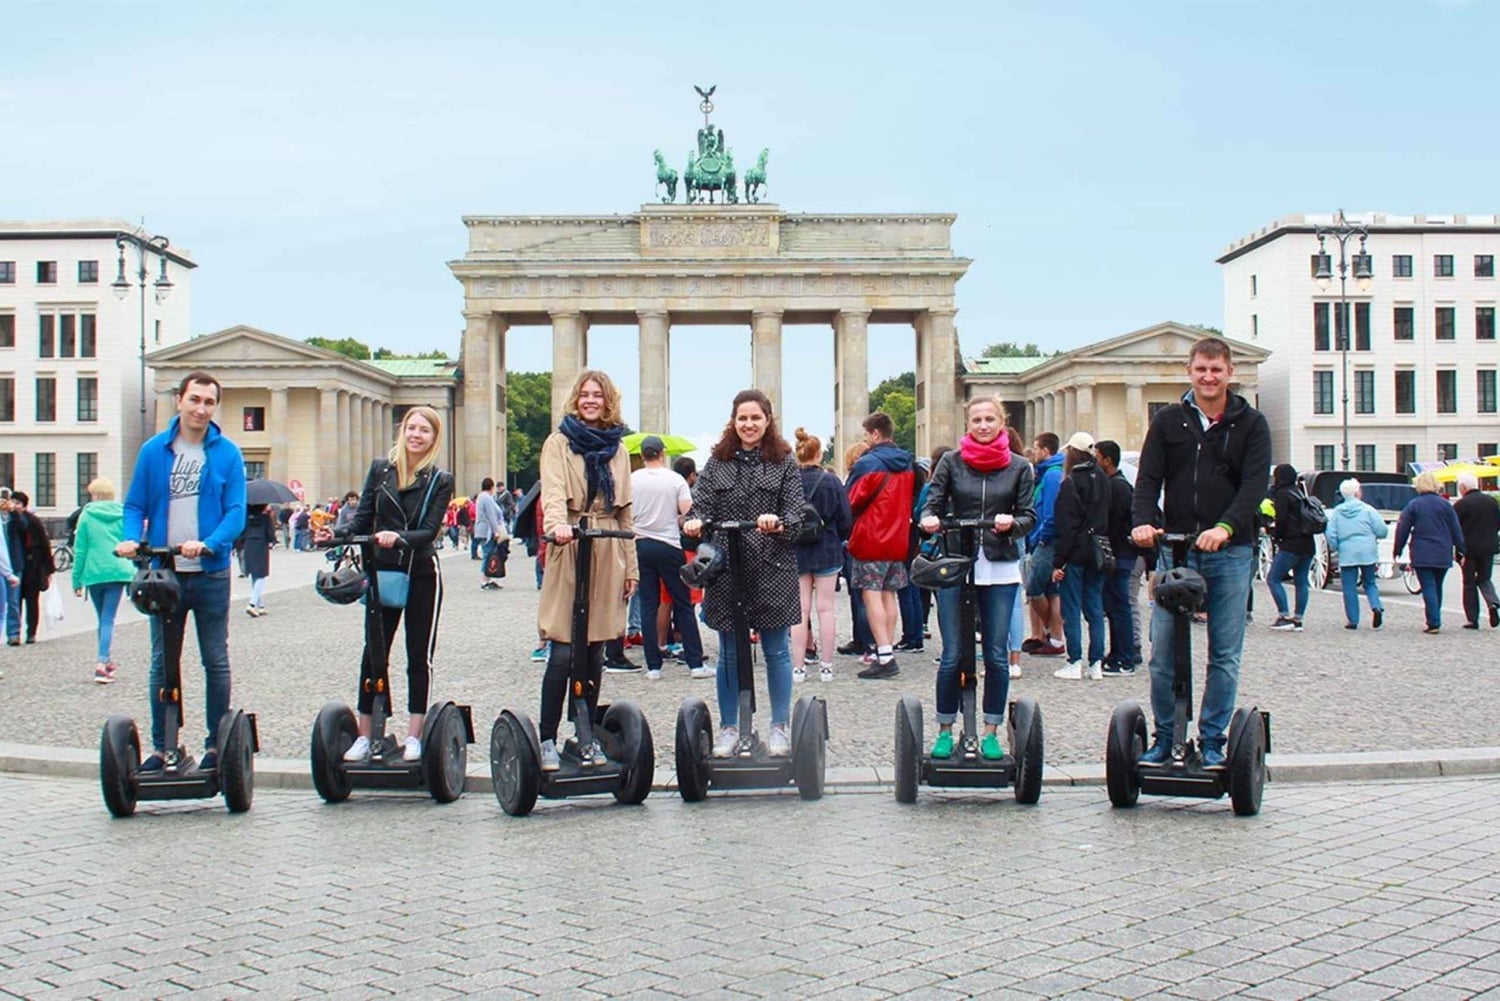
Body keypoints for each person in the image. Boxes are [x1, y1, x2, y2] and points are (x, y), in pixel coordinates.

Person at [1130, 337, 1272, 768]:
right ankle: (1166, 737)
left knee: (1223, 653)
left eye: (1216, 370)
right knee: (1164, 651)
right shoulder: (1170, 421)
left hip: (1230, 550)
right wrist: (1142, 520)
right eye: (1201, 370)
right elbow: (1148, 479)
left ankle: (1212, 740)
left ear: (1230, 373)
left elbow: (1254, 486)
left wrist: (1225, 527)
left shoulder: (1251, 423)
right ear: (1189, 372)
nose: (1208, 377)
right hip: (1177, 549)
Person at [118, 370, 247, 772]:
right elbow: (134, 505)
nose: (201, 409)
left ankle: (215, 744)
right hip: (165, 573)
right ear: (180, 401)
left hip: (208, 572)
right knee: (163, 661)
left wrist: (211, 542)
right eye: (195, 400)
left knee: (215, 659)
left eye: (209, 402)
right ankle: (164, 746)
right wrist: (129, 538)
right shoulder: (154, 451)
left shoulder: (227, 453)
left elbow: (236, 511)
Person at [319, 404, 453, 763]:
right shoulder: (381, 470)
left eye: (424, 430)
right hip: (382, 571)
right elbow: (362, 518)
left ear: (433, 438)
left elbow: (430, 530)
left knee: (417, 655)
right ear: (403, 430)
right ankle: (366, 733)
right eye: (411, 427)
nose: (415, 435)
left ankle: (414, 735)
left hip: (420, 571)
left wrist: (399, 537)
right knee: (374, 651)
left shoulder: (440, 479)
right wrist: (335, 533)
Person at [683, 388, 804, 758]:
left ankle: (779, 726)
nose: (749, 424)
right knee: (729, 654)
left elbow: (797, 518)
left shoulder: (784, 461)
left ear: (767, 420)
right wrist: (694, 524)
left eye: (755, 418)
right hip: (727, 568)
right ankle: (729, 728)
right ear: (733, 422)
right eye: (742, 418)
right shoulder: (716, 462)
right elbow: (698, 509)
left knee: (776, 651)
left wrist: (778, 523)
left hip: (772, 567)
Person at [918, 396, 1035, 760]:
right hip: (958, 561)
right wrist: (930, 519)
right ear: (967, 425)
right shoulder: (951, 463)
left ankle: (990, 730)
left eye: (989, 419)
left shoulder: (1020, 467)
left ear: (1002, 423)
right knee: (953, 653)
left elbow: (1029, 515)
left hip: (999, 566)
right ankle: (944, 728)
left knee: (997, 655)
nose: (983, 426)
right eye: (976, 420)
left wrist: (1012, 524)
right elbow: (931, 503)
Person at [535, 370, 639, 770]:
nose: (590, 400)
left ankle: (584, 734)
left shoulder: (617, 448)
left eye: (598, 394)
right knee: (562, 649)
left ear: (608, 400)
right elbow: (555, 492)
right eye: (584, 394)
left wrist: (631, 566)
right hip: (572, 541)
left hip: (608, 543)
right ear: (575, 399)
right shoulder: (558, 443)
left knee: (595, 649)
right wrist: (557, 526)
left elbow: (626, 509)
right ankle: (546, 737)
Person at [845, 412, 916, 679]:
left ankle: (883, 654)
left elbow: (851, 501)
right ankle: (887, 650)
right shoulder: (907, 463)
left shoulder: (868, 463)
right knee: (889, 594)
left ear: (875, 434)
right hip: (898, 537)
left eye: (867, 435)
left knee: (871, 594)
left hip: (872, 536)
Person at [631, 435, 708, 681]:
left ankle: (653, 665)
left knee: (648, 604)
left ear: (642, 455)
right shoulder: (675, 480)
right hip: (668, 543)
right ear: (662, 453)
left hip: (641, 543)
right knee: (682, 602)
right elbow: (688, 512)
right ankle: (695, 663)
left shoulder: (632, 480)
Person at [789, 427, 852, 684]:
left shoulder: (789, 481)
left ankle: (798, 668)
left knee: (800, 611)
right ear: (820, 453)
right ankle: (826, 666)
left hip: (797, 550)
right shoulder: (832, 481)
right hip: (827, 548)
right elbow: (846, 518)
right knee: (825, 609)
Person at [1049, 432, 1110, 680]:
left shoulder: (1071, 482)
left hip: (1075, 552)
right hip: (1097, 549)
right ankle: (1096, 662)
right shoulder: (1104, 479)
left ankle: (1075, 660)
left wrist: (1058, 561)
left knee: (1071, 609)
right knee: (1095, 608)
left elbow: (1066, 526)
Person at [71, 478, 134, 683]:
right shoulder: (122, 513)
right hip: (118, 569)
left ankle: (103, 661)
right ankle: (104, 661)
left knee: (103, 619)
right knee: (108, 618)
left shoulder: (87, 515)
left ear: (95, 495)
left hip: (94, 571)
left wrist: (76, 579)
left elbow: (80, 549)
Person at [1394, 471, 1466, 634]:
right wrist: (1462, 549)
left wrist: (1398, 548)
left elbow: (1403, 528)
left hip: (1422, 551)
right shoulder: (1446, 505)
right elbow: (1456, 529)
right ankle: (1435, 616)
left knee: (1428, 586)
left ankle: (1433, 621)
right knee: (1437, 586)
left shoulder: (1414, 505)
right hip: (1442, 550)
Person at [1094, 439, 1140, 677]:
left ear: (1107, 460)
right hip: (1116, 553)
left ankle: (1125, 656)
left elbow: (1114, 522)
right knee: (1113, 605)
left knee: (1120, 605)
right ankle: (1117, 652)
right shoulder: (1115, 484)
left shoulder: (1118, 487)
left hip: (1120, 553)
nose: (1095, 460)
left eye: (1097, 456)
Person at [1324, 478, 1389, 630]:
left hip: (1347, 550)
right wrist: (1374, 537)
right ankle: (1376, 606)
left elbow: (1331, 534)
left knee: (1349, 587)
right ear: (1357, 493)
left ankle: (1353, 620)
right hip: (1367, 549)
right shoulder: (1368, 510)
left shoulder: (1338, 512)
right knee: (1370, 583)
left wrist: (1337, 546)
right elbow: (1382, 530)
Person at [1024, 432, 1067, 658]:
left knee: (1034, 588)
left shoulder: (1051, 476)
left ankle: (1053, 632)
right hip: (1045, 537)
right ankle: (1055, 638)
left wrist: (1040, 538)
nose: (1034, 452)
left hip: (1046, 540)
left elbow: (1050, 512)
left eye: (1036, 448)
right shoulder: (1051, 473)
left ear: (1045, 451)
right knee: (1051, 591)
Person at [1265, 464, 1317, 632]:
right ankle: (1298, 618)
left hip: (1291, 543)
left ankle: (1284, 615)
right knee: (1301, 581)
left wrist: (1275, 535)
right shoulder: (1299, 492)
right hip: (1308, 543)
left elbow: (1282, 520)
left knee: (1273, 578)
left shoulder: (1282, 494)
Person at [6, 492, 54, 644]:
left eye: (18, 503)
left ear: (24, 505)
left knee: (32, 601)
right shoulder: (9, 519)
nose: (15, 505)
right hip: (17, 565)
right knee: (15, 600)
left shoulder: (32, 521)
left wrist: (48, 568)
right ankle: (15, 633)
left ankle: (31, 632)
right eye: (13, 502)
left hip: (33, 565)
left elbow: (44, 544)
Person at [1454, 472, 1500, 629]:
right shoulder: (1491, 502)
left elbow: (1455, 529)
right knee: (1484, 578)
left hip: (1469, 550)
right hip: (1489, 547)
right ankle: (1493, 602)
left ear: (1463, 487)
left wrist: (1457, 549)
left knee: (1469, 583)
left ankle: (1472, 619)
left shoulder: (1461, 505)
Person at [240, 503, 274, 616]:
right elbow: (270, 534)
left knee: (254, 574)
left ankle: (260, 605)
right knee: (261, 575)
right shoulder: (265, 518)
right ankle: (252, 604)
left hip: (249, 544)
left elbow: (241, 531)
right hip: (261, 544)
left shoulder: (246, 517)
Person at [474, 477, 504, 590]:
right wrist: (496, 531)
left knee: (488, 554)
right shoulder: (487, 498)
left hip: (481, 529)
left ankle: (488, 578)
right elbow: (491, 516)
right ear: (491, 487)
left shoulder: (480, 497)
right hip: (487, 530)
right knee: (488, 555)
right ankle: (485, 580)